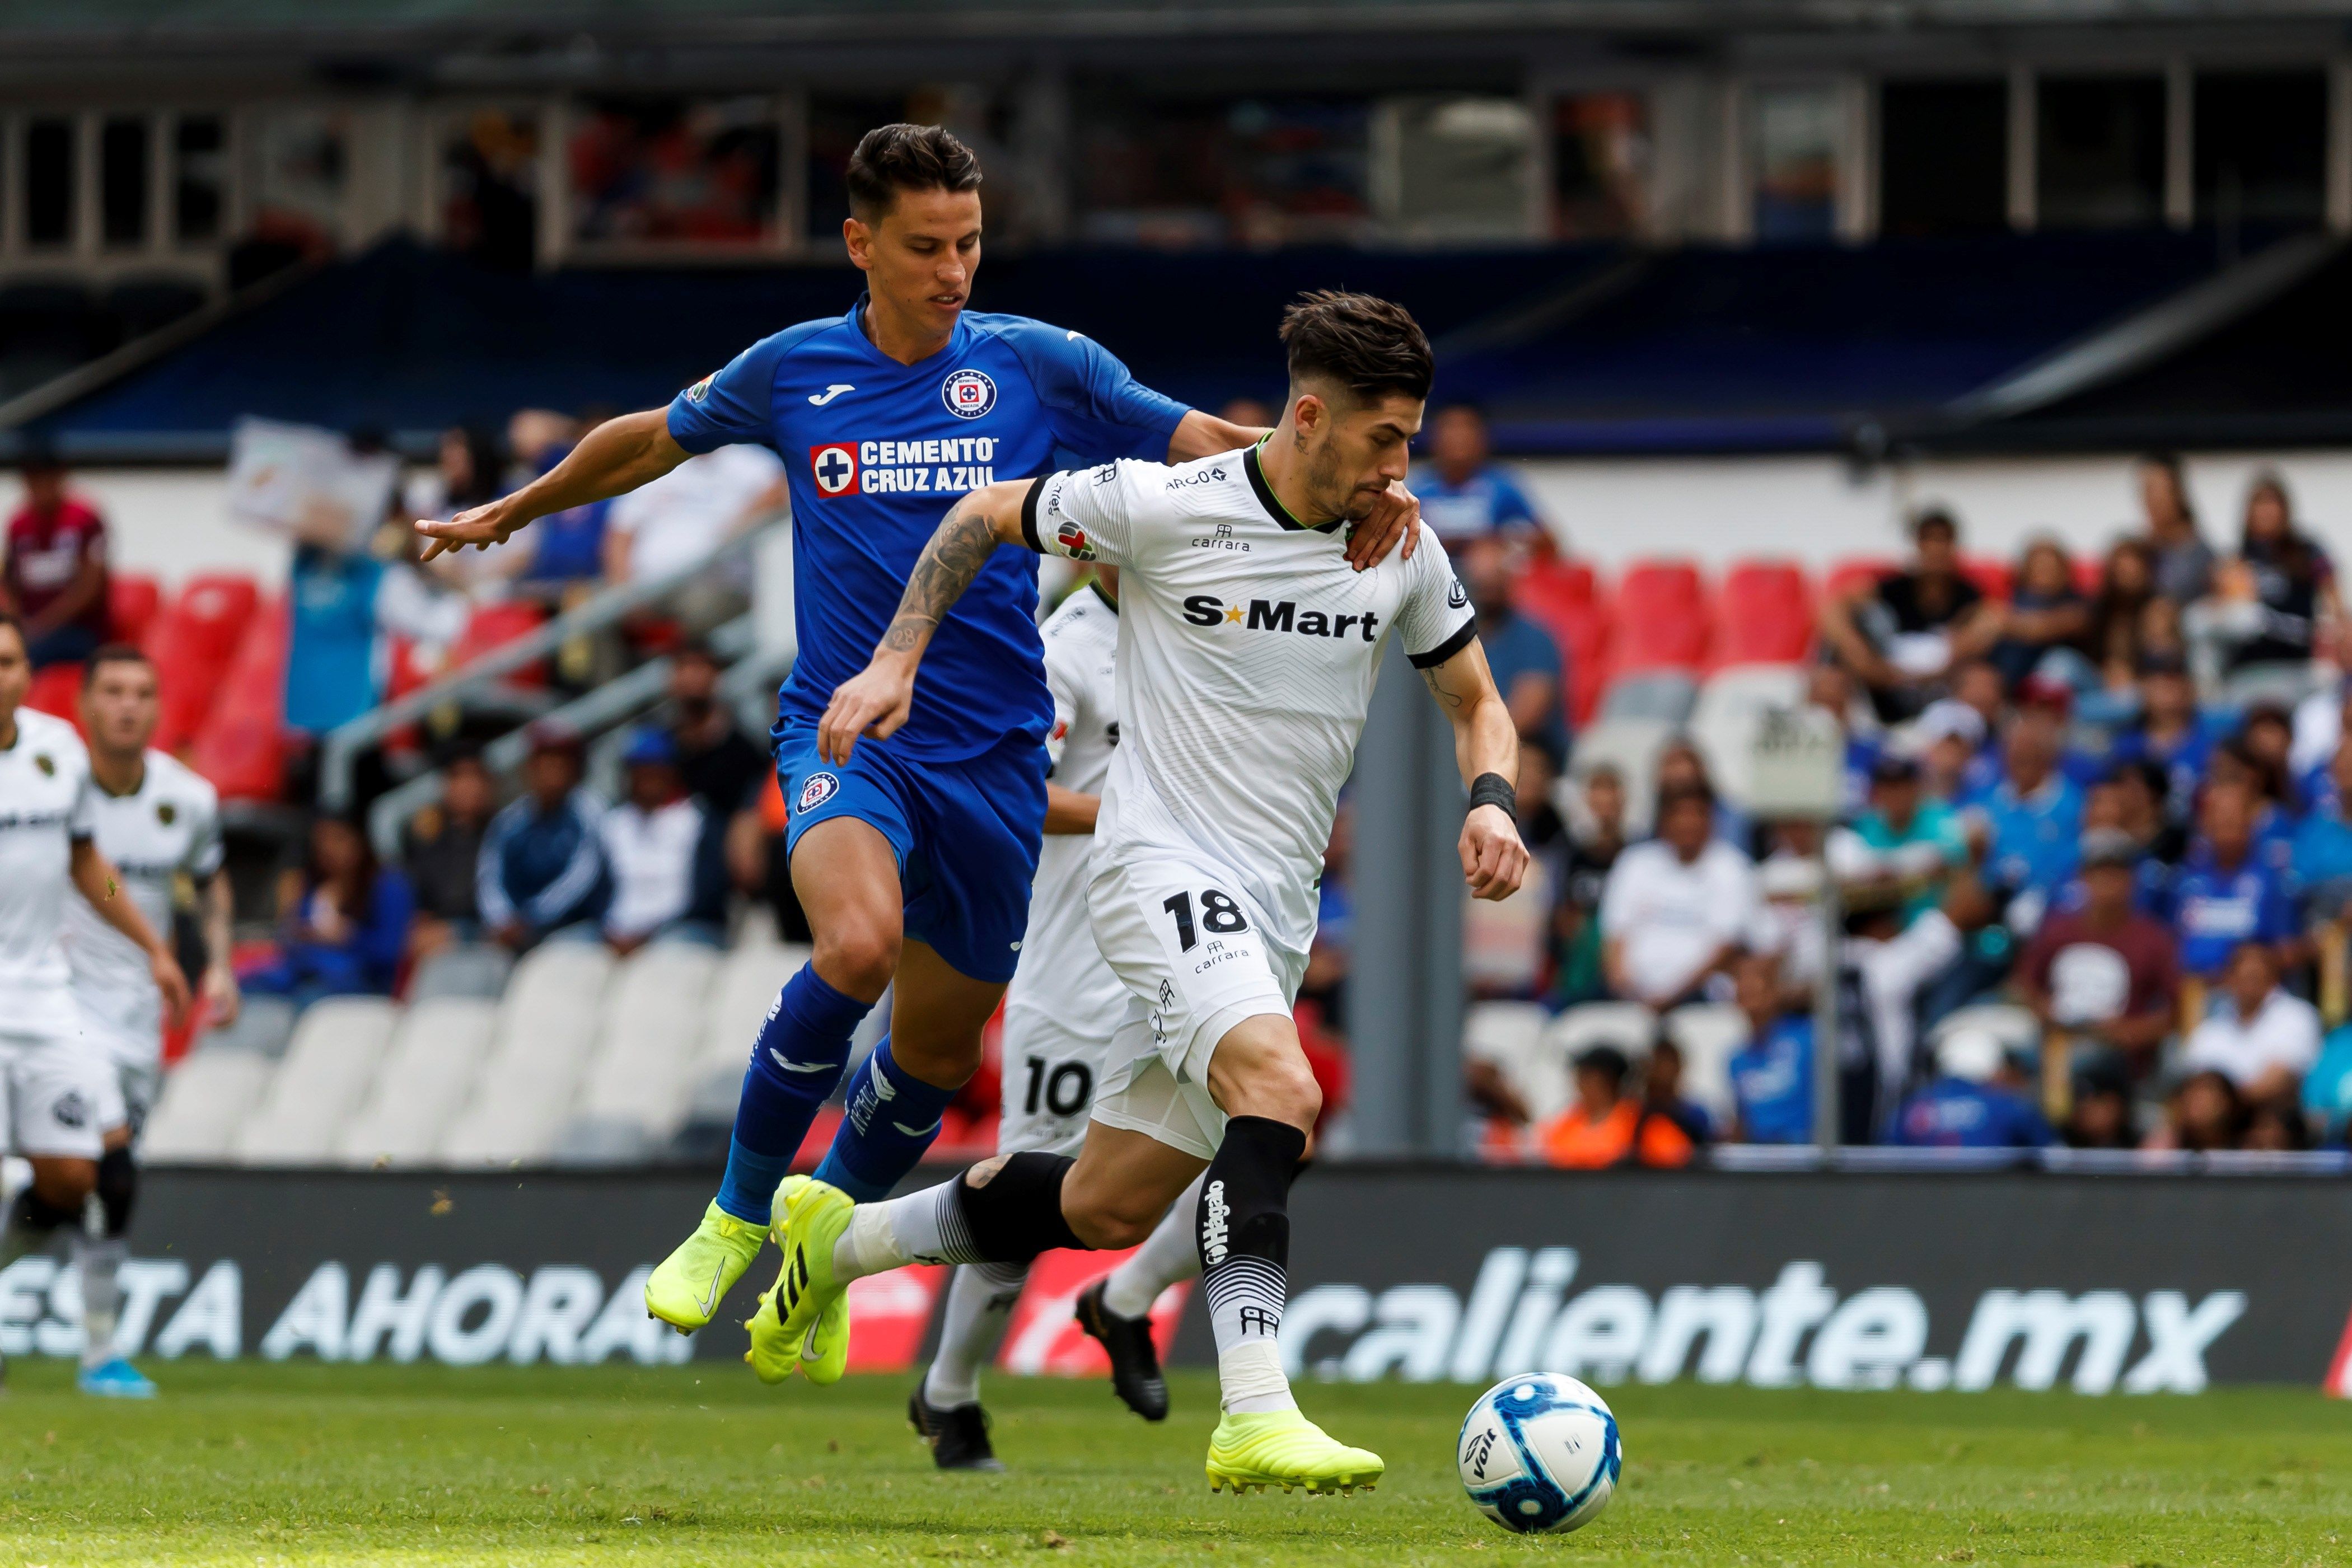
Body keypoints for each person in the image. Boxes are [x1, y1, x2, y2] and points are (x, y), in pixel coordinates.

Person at [414, 124, 1423, 1341]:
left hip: (997, 755)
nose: (955, 270)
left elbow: (1210, 444)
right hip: (850, 726)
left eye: (971, 243)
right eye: (927, 246)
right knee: (855, 944)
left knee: (936, 1049)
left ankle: (818, 1236)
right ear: (861, 242)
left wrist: (1358, 480)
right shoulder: (794, 370)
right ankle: (732, 1214)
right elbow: (650, 435)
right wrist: (515, 510)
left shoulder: (1039, 364)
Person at [755, 290, 1519, 1495]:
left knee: (1105, 1204)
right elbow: (979, 513)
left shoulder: (1400, 546)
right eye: (1386, 437)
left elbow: (1477, 697)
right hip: (1156, 868)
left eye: (1410, 438)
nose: (1403, 462)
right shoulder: (1163, 506)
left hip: (1270, 910)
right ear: (1310, 416)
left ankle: (840, 1237)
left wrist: (1491, 797)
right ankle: (1255, 1407)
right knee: (1283, 1086)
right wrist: (896, 655)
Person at [909, 565, 1202, 1470]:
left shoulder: (1192, 623)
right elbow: (1018, 798)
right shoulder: (1062, 648)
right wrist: (1136, 819)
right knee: (1032, 1193)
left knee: (1259, 1141)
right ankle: (948, 1390)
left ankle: (1125, 1298)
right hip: (1074, 970)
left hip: (1181, 950)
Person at [0, 616, 190, 1397]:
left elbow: (85, 860)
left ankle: (99, 1350)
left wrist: (153, 944)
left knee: (83, 1171)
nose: (1, 674)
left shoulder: (56, 753)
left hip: (45, 998)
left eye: (10, 661)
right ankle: (96, 1351)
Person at [58, 646, 237, 1396]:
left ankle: (99, 1352)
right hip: (47, 1005)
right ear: (88, 707)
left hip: (135, 1016)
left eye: (142, 693)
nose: (129, 705)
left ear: (159, 710)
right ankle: (100, 1355)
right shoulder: (46, 790)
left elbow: (210, 880)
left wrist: (220, 963)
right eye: (114, 692)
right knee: (107, 1165)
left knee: (91, 1188)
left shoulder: (188, 799)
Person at [2016, 828, 2178, 1077]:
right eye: (2100, 874)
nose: (2108, 884)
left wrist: (2133, 1032)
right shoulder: (2058, 929)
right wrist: (2044, 1010)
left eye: (2117, 874)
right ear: (2084, 879)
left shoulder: (2153, 939)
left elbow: (2176, 1009)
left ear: (2132, 880)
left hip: (2116, 1055)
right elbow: (2025, 983)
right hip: (2058, 1038)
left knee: (2082, 1066)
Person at [1818, 508, 1999, 717]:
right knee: (1830, 669)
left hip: (1944, 684)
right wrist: (1862, 658)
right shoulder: (1892, 588)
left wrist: (1939, 670)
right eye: (1929, 540)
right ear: (1918, 545)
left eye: (1943, 541)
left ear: (1954, 546)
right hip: (1883, 678)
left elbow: (1990, 624)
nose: (1936, 549)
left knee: (1983, 679)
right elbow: (1832, 608)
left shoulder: (1969, 595)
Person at [1600, 780, 1757, 1009]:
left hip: (1702, 997)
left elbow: (1727, 948)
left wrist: (1669, 999)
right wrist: (1628, 992)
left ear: (1711, 820)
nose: (1688, 823)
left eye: (1697, 814)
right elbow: (1615, 939)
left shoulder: (1732, 867)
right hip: (1633, 998)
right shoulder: (1635, 862)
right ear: (1664, 821)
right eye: (1679, 815)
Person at [240, 814, 413, 1003]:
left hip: (364, 984)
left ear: (360, 841)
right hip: (308, 972)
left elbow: (391, 951)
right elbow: (289, 943)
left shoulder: (390, 886)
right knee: (247, 985)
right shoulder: (314, 883)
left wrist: (348, 935)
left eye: (338, 839)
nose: (329, 849)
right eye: (322, 842)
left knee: (309, 997)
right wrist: (297, 925)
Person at [475, 726, 609, 949]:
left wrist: (532, 918)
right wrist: (502, 919)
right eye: (544, 763)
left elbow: (582, 877)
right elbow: (489, 876)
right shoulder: (511, 819)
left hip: (576, 925)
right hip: (516, 928)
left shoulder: (590, 812)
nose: (551, 772)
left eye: (560, 764)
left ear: (575, 770)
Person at [1968, 684, 2086, 930]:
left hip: (2045, 907)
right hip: (1989, 906)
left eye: (2031, 754)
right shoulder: (1987, 801)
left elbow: (2073, 862)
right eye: (2015, 753)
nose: (2021, 761)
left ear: (2048, 757)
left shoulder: (2072, 804)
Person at [2168, 781, 2298, 984]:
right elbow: (2171, 940)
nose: (2226, 825)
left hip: (2251, 993)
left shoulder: (2273, 878)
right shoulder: (2186, 876)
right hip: (2191, 991)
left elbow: (2287, 949)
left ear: (2251, 821)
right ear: (2205, 823)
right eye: (2219, 817)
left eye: (2234, 818)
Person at [598, 727, 713, 953]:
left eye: (655, 769)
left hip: (677, 930)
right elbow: (597, 893)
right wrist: (610, 932)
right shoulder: (614, 823)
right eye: (639, 770)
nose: (647, 778)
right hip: (616, 933)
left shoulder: (696, 819)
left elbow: (705, 897)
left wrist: (646, 936)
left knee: (669, 953)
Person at [1458, 532, 1568, 760]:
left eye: (1494, 582)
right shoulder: (1451, 636)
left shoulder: (1535, 638)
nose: (1486, 592)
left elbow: (1528, 714)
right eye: (1480, 584)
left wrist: (1467, 740)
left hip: (1523, 752)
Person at [2, 446, 112, 670]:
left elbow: (90, 588)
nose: (39, 488)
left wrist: (40, 626)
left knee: (18, 658)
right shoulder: (19, 523)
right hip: (30, 630)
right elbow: (10, 582)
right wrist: (16, 625)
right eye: (32, 481)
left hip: (79, 631)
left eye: (45, 479)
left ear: (60, 477)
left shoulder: (84, 519)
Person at [2180, 940, 2320, 1112]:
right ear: (2229, 979)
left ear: (2273, 978)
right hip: (2215, 1122)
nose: (2249, 986)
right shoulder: (2210, 1028)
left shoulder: (2298, 1016)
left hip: (2271, 1118)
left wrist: (2221, 1106)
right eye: (2243, 977)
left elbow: (2280, 1080)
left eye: (2255, 977)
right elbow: (2195, 1081)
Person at [1828, 753, 1967, 926]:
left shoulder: (1939, 818)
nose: (1896, 795)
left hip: (1932, 921)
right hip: (1880, 925)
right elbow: (1849, 871)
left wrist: (1886, 869)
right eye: (1888, 787)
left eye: (1902, 786)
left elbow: (1946, 858)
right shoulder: (1867, 825)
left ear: (1917, 788)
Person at [1888, 1027, 2052, 1149]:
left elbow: (1883, 1160)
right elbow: (2055, 1156)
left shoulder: (1911, 1107)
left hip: (1922, 1194)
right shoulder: (2008, 1107)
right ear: (1992, 1067)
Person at [403, 747, 497, 958]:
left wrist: (459, 934)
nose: (469, 786)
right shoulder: (427, 839)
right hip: (438, 948)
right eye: (459, 777)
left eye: (475, 776)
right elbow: (421, 906)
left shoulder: (506, 834)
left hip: (487, 945)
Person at [1537, 1043, 1694, 1168]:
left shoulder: (1644, 1124)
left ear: (1606, 1081)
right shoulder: (1568, 1122)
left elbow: (1679, 1164)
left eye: (1586, 1076)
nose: (1578, 1083)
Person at [1548, 764, 1628, 1008]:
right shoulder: (1569, 855)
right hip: (1579, 960)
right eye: (1597, 796)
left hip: (1621, 957)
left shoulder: (1635, 855)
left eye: (1611, 796)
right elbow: (1559, 915)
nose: (1604, 807)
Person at [1409, 401, 1543, 544]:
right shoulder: (1419, 490)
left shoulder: (1502, 487)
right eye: (1450, 428)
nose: (1459, 437)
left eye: (1468, 427)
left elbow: (1546, 542)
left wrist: (1503, 544)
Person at [1724, 952, 1814, 1144]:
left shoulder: (1810, 1040)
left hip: (1806, 1159)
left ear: (1776, 990)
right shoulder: (1737, 1060)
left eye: (1758, 981)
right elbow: (1744, 1122)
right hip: (1759, 1161)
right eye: (1742, 984)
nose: (1749, 988)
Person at [1988, 537, 2089, 693]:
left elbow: (2043, 628)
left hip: (2071, 692)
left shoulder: (2077, 603)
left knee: (2059, 662)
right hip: (2013, 682)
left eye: (2051, 568)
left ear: (2063, 572)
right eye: (2038, 567)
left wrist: (2002, 622)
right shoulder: (2012, 600)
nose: (2044, 574)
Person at [2134, 452, 2213, 606]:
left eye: (2157, 490)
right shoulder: (2141, 553)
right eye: (2146, 490)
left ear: (2178, 493)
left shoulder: (2203, 558)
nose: (2151, 500)